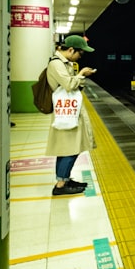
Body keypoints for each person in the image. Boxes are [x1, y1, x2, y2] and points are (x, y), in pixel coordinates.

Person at [45, 34, 97, 196]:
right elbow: (68, 85)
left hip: (68, 110)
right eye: (80, 53)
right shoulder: (57, 64)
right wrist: (81, 74)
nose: (80, 57)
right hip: (65, 113)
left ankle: (65, 179)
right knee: (70, 148)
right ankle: (60, 185)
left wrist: (78, 77)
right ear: (71, 50)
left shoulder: (63, 63)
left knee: (68, 148)